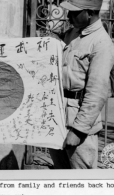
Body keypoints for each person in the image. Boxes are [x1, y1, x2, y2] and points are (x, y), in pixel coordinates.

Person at [49, 0, 114, 169]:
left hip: (78, 126)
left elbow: (96, 93)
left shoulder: (101, 43)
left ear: (90, 13)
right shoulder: (72, 34)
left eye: (74, 12)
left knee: (80, 181)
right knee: (60, 179)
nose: (69, 16)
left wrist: (78, 131)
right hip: (57, 121)